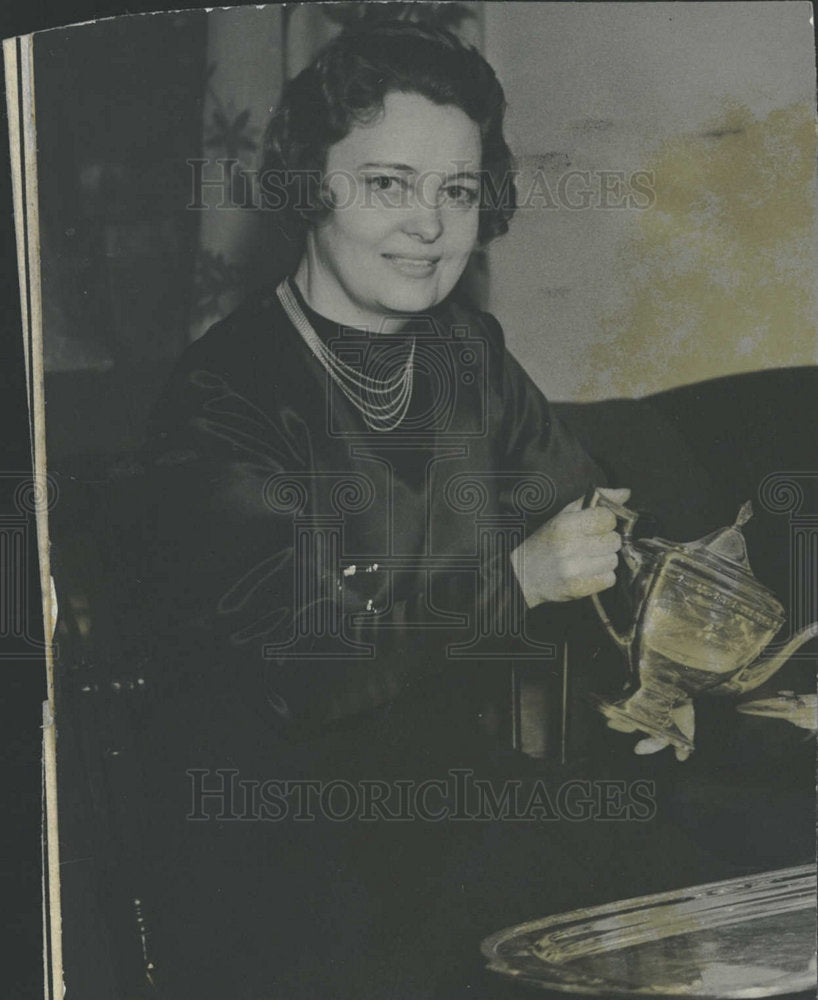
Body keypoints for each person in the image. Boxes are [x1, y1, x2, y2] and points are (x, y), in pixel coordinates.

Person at [137, 19, 644, 1000]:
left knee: (690, 859)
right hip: (280, 853)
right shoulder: (222, 395)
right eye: (387, 184)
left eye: (456, 190)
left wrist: (690, 646)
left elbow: (597, 522)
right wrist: (519, 578)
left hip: (453, 813)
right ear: (308, 185)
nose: (430, 224)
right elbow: (313, 674)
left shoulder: (468, 357)